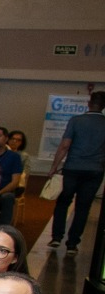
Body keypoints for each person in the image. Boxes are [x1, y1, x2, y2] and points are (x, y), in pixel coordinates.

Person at [47, 90, 105, 253]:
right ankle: (72, 243)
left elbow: (65, 145)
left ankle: (56, 237)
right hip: (95, 170)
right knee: (83, 207)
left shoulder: (76, 121)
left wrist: (54, 166)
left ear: (89, 103)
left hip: (73, 167)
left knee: (63, 202)